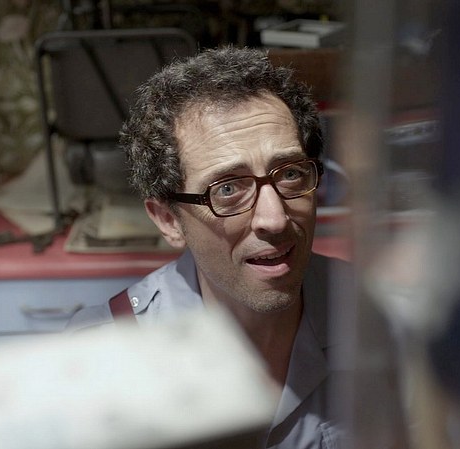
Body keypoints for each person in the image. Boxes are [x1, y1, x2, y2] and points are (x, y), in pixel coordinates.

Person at [67, 46, 347, 449]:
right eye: (228, 189)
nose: (274, 219)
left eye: (289, 174)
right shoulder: (102, 363)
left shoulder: (385, 322)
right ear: (168, 219)